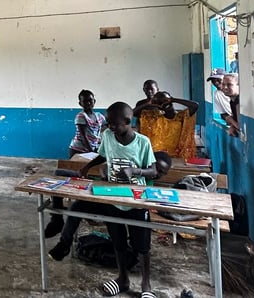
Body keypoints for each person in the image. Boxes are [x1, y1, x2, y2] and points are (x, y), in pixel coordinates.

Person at [49, 102, 158, 298]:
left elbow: (154, 170)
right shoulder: (108, 136)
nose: (110, 127)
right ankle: (123, 279)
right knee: (117, 242)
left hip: (136, 200)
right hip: (112, 197)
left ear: (127, 121)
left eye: (114, 124)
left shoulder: (143, 142)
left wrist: (135, 171)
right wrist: (87, 167)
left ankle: (146, 284)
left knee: (142, 246)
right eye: (108, 123)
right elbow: (102, 155)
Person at [44, 89, 106, 238]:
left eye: (91, 100)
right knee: (75, 177)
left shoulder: (99, 116)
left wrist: (101, 143)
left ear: (94, 101)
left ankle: (86, 208)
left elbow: (105, 127)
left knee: (89, 177)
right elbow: (83, 136)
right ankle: (67, 211)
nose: (89, 103)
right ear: (80, 103)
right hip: (78, 150)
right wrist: (94, 149)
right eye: (85, 101)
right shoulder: (80, 116)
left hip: (94, 150)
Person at [134, 91, 199, 159]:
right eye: (160, 103)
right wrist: (148, 103)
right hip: (157, 155)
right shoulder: (154, 118)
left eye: (166, 101)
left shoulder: (181, 116)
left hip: (177, 156)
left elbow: (195, 105)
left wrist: (173, 99)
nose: (164, 104)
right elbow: (132, 114)